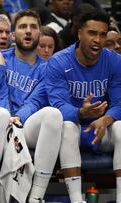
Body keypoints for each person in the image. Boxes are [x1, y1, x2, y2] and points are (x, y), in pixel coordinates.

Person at [0, 9, 63, 203]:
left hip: (25, 124)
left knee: (53, 114)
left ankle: (36, 196)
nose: (28, 31)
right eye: (22, 27)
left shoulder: (48, 69)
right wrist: (8, 117)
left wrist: (18, 118)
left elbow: (36, 100)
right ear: (14, 34)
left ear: (40, 33)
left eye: (33, 27)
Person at [46, 9, 121, 203]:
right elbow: (58, 105)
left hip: (101, 130)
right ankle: (76, 199)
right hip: (74, 130)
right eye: (92, 33)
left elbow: (119, 101)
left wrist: (106, 118)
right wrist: (80, 112)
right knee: (68, 127)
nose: (98, 40)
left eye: (103, 35)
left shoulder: (114, 61)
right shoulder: (58, 61)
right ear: (79, 33)